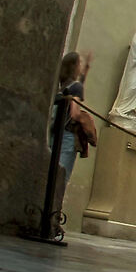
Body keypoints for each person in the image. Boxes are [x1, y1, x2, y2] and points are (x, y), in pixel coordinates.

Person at [49, 50, 97, 211]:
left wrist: (86, 72)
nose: (81, 66)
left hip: (54, 133)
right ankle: (54, 215)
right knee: (62, 177)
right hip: (68, 136)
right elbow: (74, 113)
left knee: (52, 173)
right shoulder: (75, 88)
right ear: (75, 66)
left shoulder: (62, 87)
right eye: (80, 64)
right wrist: (85, 119)